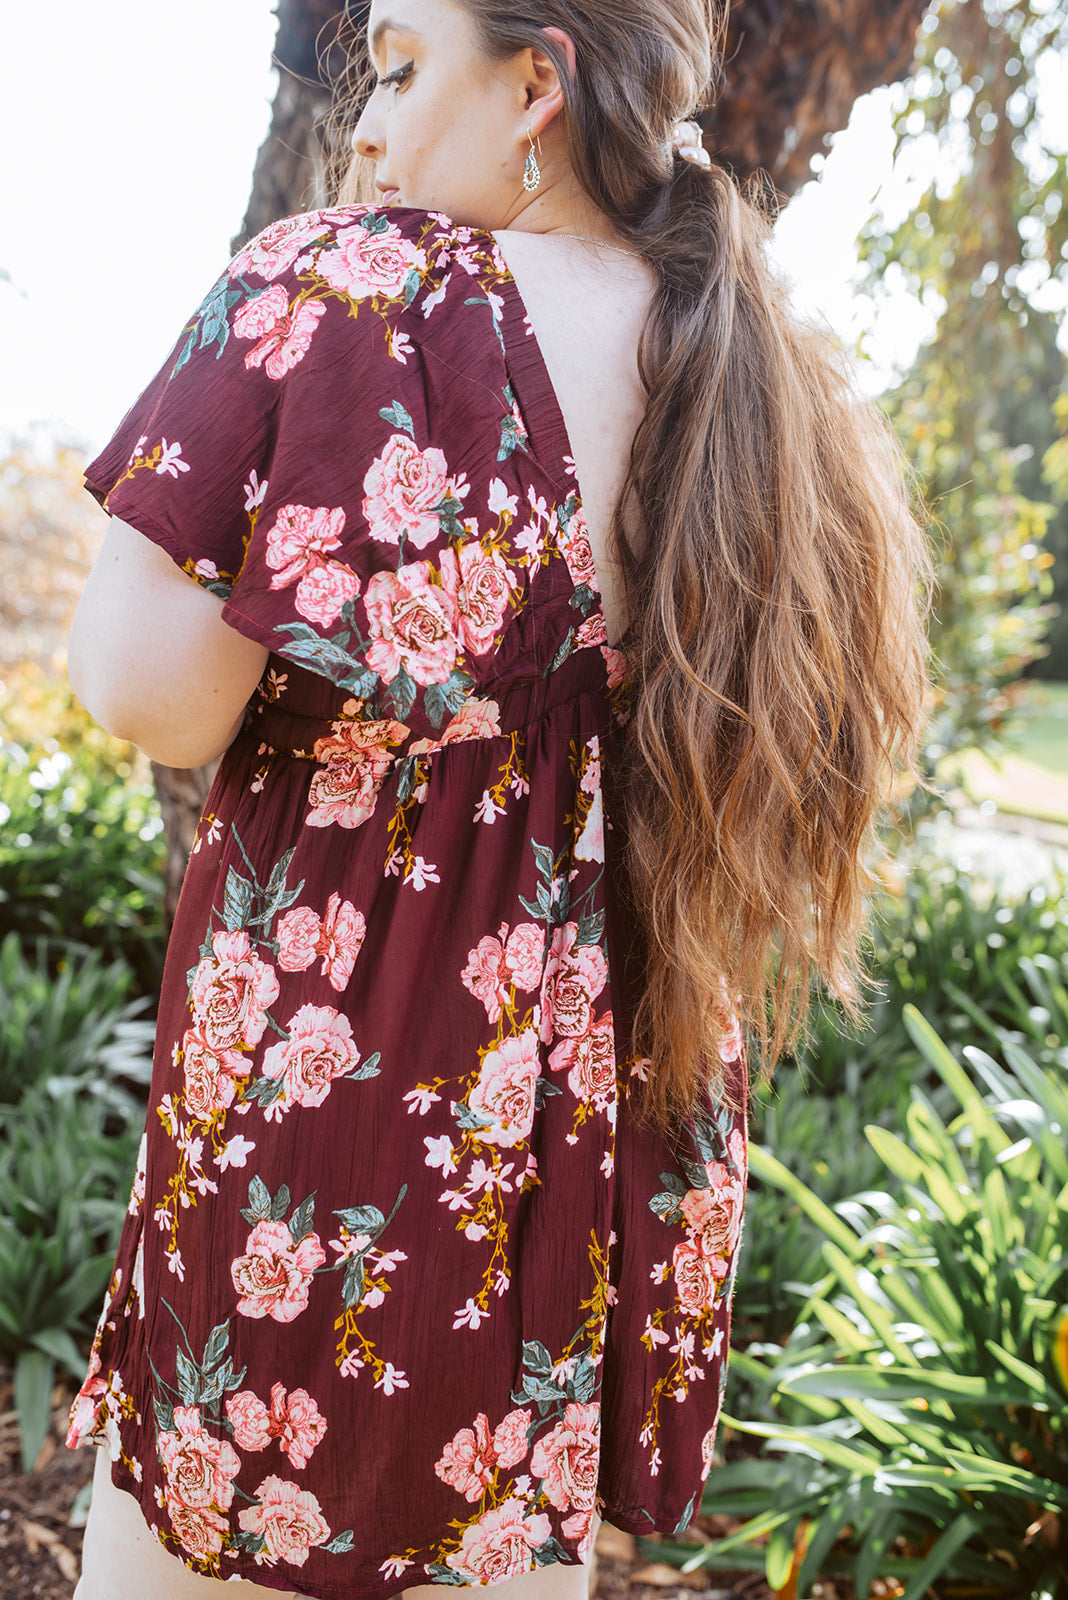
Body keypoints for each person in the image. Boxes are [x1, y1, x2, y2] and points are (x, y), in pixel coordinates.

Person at [66, 0, 928, 1596]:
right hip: (596, 1139)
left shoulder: (347, 286)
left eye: (398, 67)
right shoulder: (762, 367)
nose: (365, 127)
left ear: (539, 79)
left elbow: (142, 691)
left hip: (334, 1113)